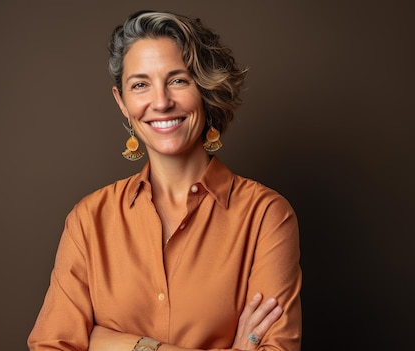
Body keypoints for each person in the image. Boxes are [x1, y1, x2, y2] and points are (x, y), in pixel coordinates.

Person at [28, 10, 301, 351]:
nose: (161, 102)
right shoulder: (89, 219)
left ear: (204, 88)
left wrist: (109, 342)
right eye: (140, 85)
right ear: (122, 103)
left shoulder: (265, 216)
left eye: (178, 80)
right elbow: (51, 345)